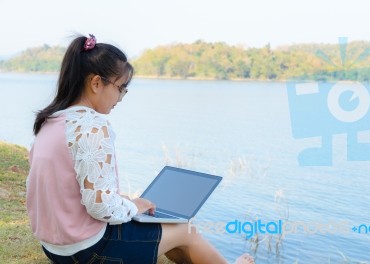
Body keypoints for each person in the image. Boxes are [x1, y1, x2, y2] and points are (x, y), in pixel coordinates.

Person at [26, 34, 255, 264]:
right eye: (121, 87)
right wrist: (133, 206)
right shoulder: (92, 126)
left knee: (166, 228)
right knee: (186, 229)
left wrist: (124, 202)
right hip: (89, 251)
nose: (121, 97)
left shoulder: (51, 121)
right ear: (96, 83)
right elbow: (99, 207)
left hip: (55, 249)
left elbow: (67, 190)